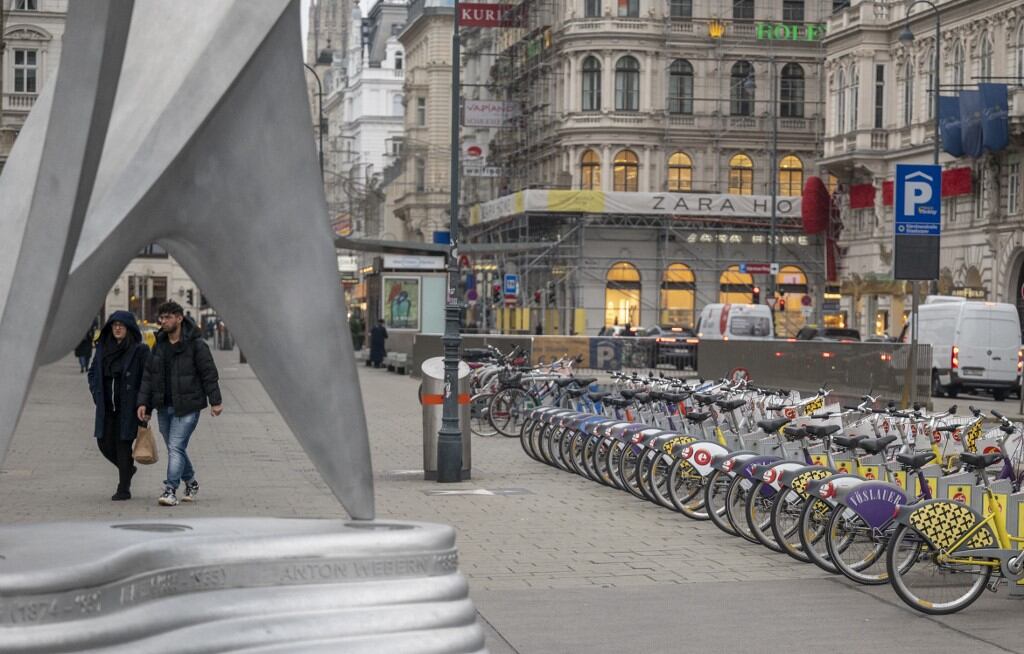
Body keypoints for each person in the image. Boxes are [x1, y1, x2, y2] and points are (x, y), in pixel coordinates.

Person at [137, 301, 223, 507]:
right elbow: (149, 376)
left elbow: (208, 373)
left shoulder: (196, 344)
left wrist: (216, 401)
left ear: (179, 318)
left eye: (167, 317)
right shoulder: (159, 344)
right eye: (162, 317)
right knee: (176, 448)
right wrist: (145, 405)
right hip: (164, 406)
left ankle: (170, 490)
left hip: (188, 405)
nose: (163, 321)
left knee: (175, 446)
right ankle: (191, 483)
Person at [87, 312, 150, 500]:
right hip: (106, 407)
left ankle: (124, 489)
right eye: (114, 325)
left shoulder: (140, 350)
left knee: (123, 446)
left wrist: (145, 404)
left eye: (122, 325)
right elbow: (92, 373)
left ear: (129, 328)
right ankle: (128, 469)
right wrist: (96, 392)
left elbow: (148, 378)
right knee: (104, 444)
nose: (117, 328)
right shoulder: (102, 348)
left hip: (129, 409)